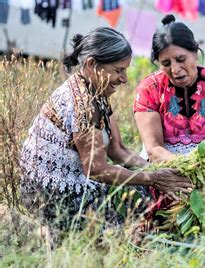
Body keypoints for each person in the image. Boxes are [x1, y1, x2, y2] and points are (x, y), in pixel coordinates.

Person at [20, 27, 192, 231]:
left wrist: (157, 171)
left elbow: (117, 149)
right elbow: (96, 169)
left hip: (74, 180)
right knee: (129, 220)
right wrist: (154, 179)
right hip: (50, 193)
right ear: (92, 64)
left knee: (144, 194)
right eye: (118, 70)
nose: (124, 79)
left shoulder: (95, 91)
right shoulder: (82, 103)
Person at [133, 15, 205, 225]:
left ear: (195, 52)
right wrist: (187, 174)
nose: (175, 70)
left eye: (181, 59)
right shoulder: (149, 89)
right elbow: (153, 148)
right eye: (166, 63)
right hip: (168, 171)